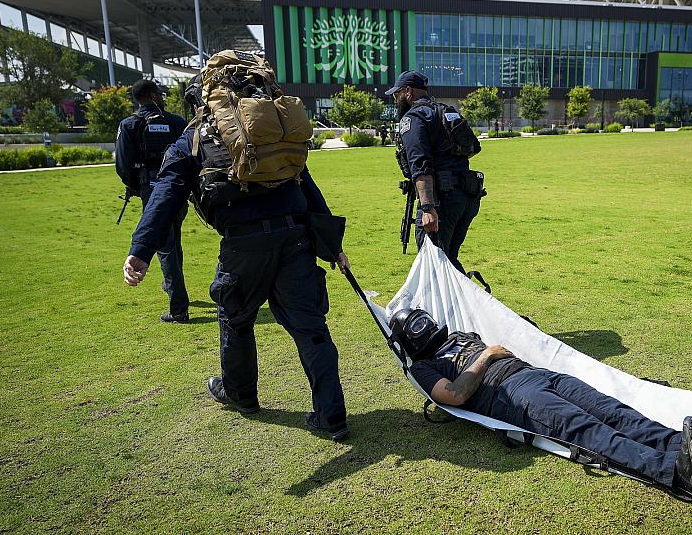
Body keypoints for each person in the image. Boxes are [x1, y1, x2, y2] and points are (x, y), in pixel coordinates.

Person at [121, 81, 352, 440]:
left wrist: (140, 249)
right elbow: (305, 185)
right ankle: (331, 414)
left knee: (235, 318)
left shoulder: (194, 140)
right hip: (296, 239)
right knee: (310, 327)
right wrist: (332, 245)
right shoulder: (270, 134)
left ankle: (241, 395)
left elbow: (165, 195)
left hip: (244, 245)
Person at [390, 308, 692, 502]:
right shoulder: (422, 366)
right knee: (593, 433)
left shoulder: (458, 335)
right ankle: (679, 473)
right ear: (409, 339)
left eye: (423, 318)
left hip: (540, 375)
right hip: (511, 396)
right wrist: (487, 354)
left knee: (616, 412)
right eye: (416, 325)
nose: (424, 325)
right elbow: (454, 395)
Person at [387, 71, 484, 274]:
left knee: (432, 264)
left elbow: (420, 164)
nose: (395, 100)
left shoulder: (413, 118)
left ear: (408, 92)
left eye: (396, 95)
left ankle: (469, 305)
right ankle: (462, 304)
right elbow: (473, 147)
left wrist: (428, 207)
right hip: (466, 198)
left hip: (441, 201)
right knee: (447, 262)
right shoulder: (446, 111)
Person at [115, 79, 190, 323]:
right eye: (160, 92)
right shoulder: (177, 122)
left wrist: (139, 187)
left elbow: (123, 166)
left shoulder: (130, 125)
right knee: (172, 241)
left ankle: (178, 309)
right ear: (153, 95)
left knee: (165, 247)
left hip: (152, 193)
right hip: (179, 192)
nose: (163, 96)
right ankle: (173, 289)